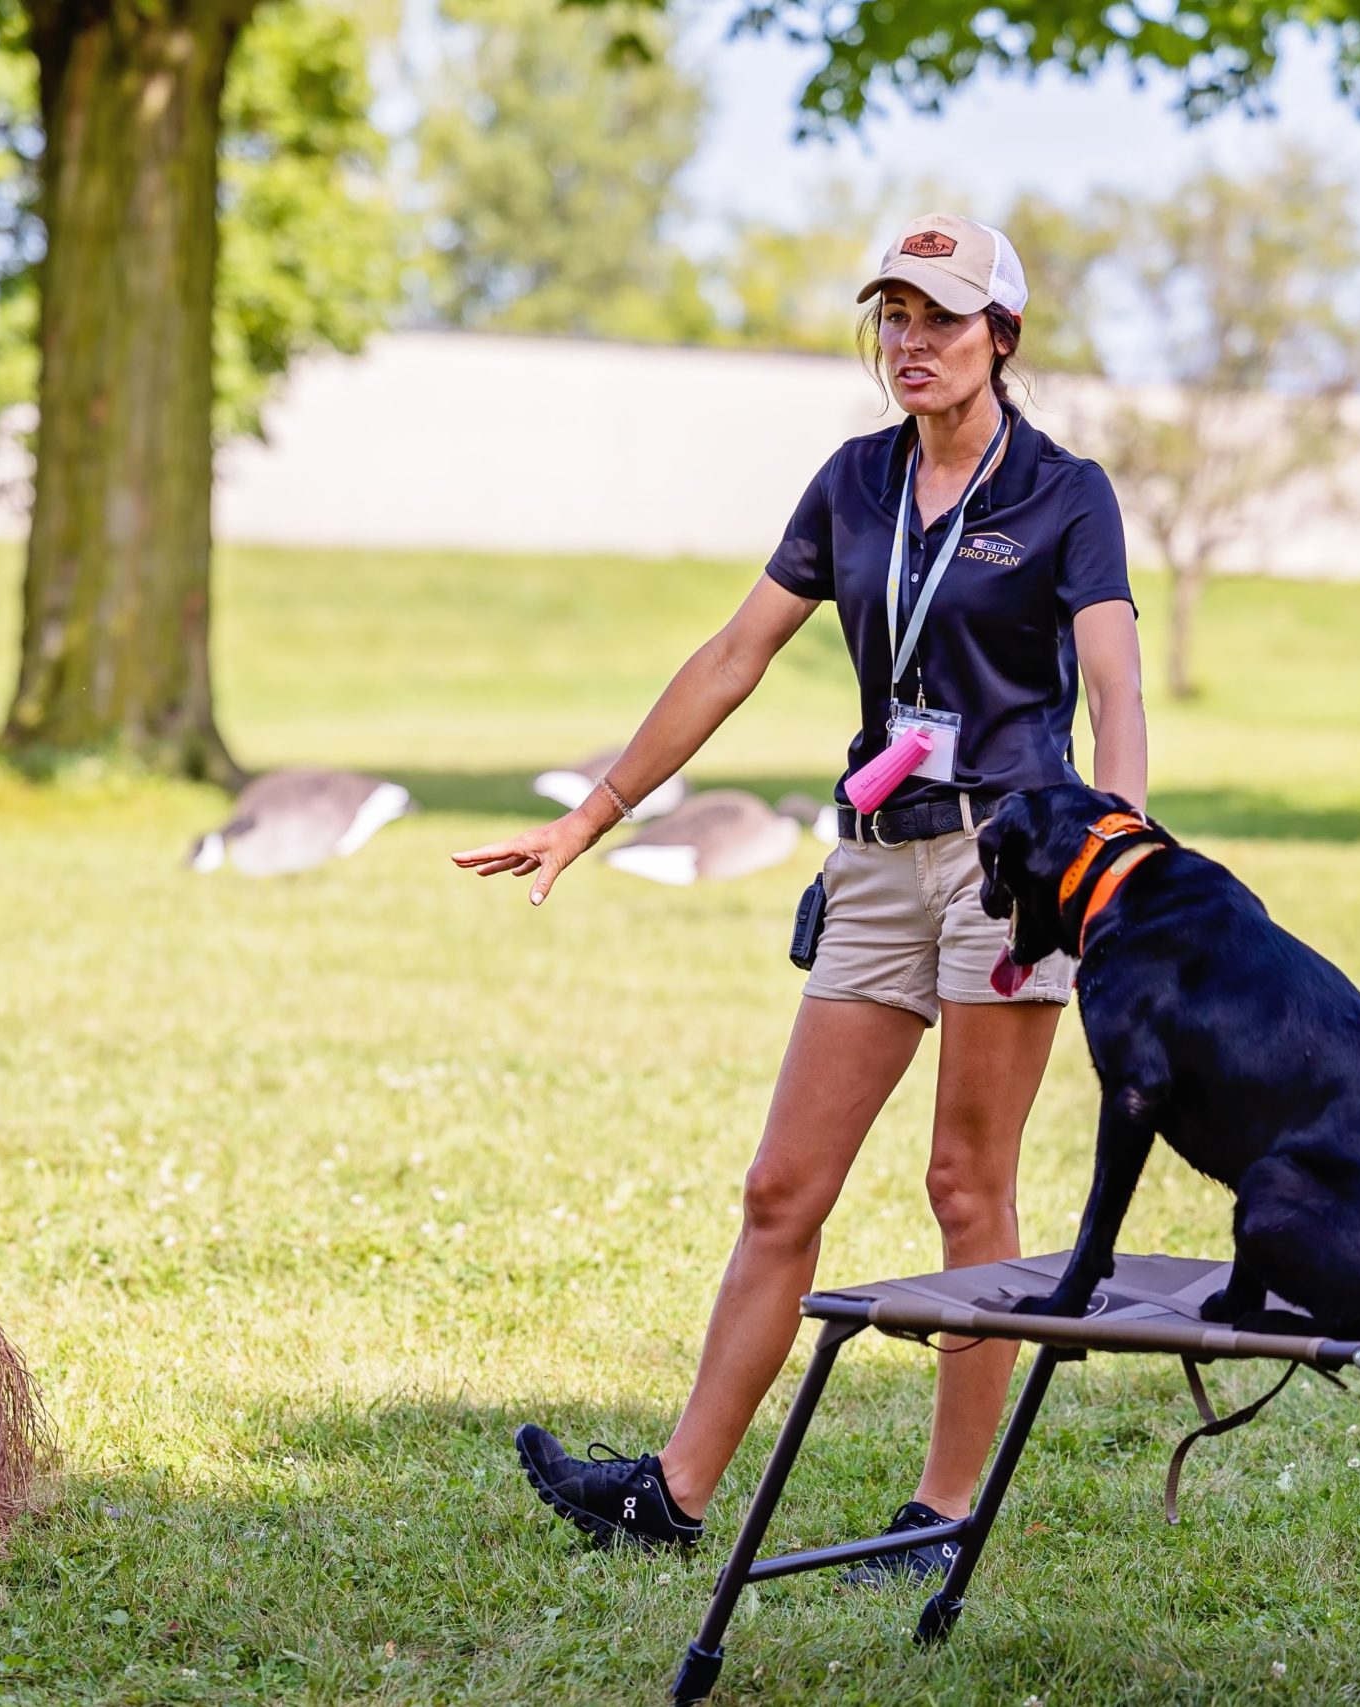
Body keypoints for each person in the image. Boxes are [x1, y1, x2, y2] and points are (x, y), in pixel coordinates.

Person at [452, 212, 1148, 1582]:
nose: (911, 344)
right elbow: (733, 655)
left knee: (966, 1185)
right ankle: (672, 1491)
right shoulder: (852, 484)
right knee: (783, 1186)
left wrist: (1113, 859)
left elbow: (1116, 683)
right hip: (876, 858)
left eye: (941, 320)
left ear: (1001, 336)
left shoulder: (1067, 496)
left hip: (1013, 868)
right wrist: (595, 813)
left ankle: (944, 1519)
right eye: (893, 317)